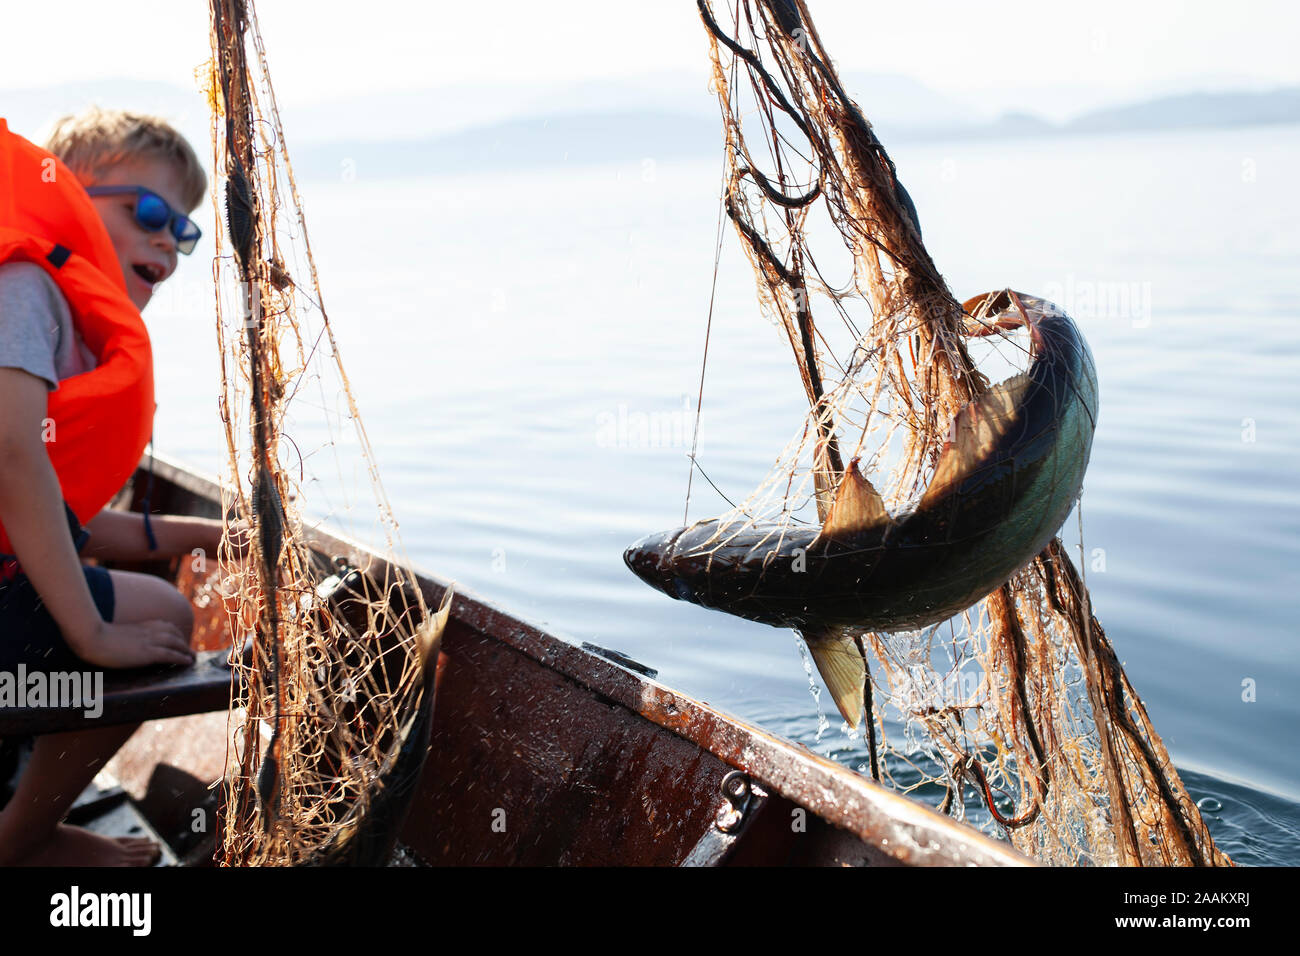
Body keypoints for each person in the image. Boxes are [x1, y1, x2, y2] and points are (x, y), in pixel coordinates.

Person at [0, 108, 222, 866]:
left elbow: (61, 523)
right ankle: (21, 840)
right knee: (161, 621)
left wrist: (206, 534)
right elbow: (10, 458)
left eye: (183, 231)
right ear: (65, 191)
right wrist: (92, 634)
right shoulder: (24, 283)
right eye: (149, 211)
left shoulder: (57, 310)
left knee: (122, 600)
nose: (169, 238)